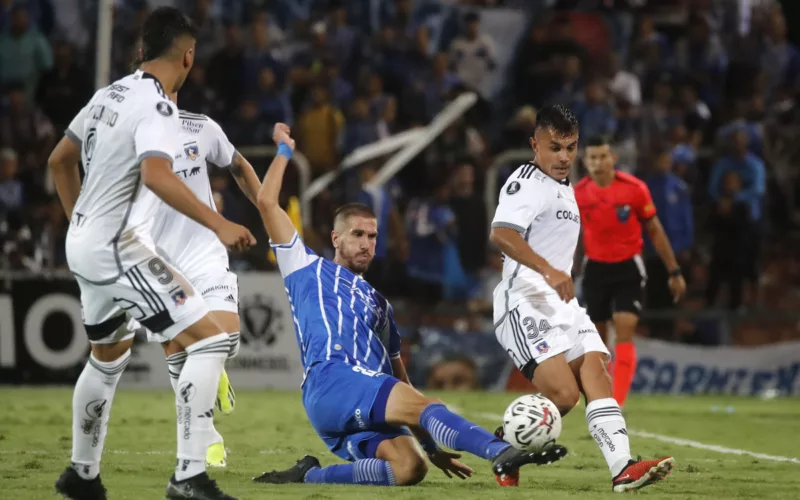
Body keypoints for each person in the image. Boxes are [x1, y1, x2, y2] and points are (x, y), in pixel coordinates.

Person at [252, 123, 567, 489]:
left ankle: (308, 475)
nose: (367, 243)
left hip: (363, 393)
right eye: (357, 235)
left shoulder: (379, 304)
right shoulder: (306, 268)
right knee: (424, 405)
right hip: (331, 379)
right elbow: (265, 202)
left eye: (372, 236)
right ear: (336, 238)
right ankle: (499, 453)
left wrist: (430, 447)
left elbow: (400, 377)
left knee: (409, 468)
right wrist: (285, 150)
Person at [47, 8, 253, 500]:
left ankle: (81, 475)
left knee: (106, 358)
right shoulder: (158, 107)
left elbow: (59, 160)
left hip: (83, 241)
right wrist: (219, 223)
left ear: (142, 51)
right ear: (188, 55)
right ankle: (188, 477)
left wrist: (79, 219)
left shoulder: (107, 95)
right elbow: (159, 176)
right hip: (118, 246)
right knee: (209, 342)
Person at [489, 106, 674, 493]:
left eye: (570, 147)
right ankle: (501, 447)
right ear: (533, 145)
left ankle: (623, 468)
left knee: (596, 370)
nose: (563, 157)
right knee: (565, 396)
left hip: (562, 302)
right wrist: (549, 270)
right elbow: (502, 234)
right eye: (554, 147)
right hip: (524, 299)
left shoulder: (564, 187)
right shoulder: (525, 182)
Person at [143, 86, 264, 468]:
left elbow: (239, 165)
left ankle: (213, 369)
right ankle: (205, 433)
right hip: (152, 261)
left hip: (204, 251)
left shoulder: (201, 128)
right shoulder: (127, 136)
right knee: (178, 357)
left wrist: (268, 209)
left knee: (224, 339)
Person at [575, 135, 686, 408]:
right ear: (585, 162)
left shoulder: (634, 189)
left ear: (613, 158)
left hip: (628, 267)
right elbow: (569, 235)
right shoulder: (577, 193)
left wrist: (674, 271)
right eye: (592, 158)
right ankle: (600, 400)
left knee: (625, 327)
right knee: (597, 338)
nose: (598, 162)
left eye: (603, 156)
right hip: (595, 268)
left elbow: (655, 230)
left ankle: (617, 403)